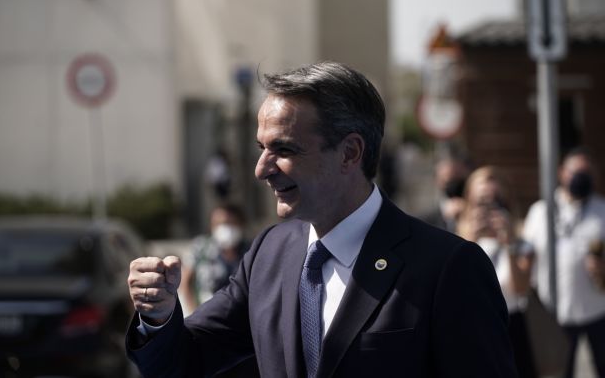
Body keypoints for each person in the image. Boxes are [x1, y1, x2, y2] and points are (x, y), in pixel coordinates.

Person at [125, 62, 517, 377]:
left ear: (350, 153)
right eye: (262, 148)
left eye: (284, 150)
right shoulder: (269, 253)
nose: (262, 169)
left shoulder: (448, 268)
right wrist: (158, 316)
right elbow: (185, 361)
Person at [523, 148, 605, 378]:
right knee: (560, 371)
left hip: (597, 308)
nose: (580, 177)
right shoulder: (541, 211)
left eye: (586, 173)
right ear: (562, 173)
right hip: (554, 311)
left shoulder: (602, 210)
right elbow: (526, 255)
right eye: (575, 172)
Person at [457, 166, 537, 378]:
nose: (488, 209)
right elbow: (455, 290)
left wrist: (509, 244)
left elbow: (520, 289)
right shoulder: (455, 243)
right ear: (469, 203)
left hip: (512, 328)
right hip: (472, 329)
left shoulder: (522, 244)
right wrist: (470, 241)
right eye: (481, 202)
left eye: (496, 201)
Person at [180, 203, 249, 314]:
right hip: (206, 315)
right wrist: (193, 313)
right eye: (219, 224)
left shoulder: (251, 250)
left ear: (241, 224)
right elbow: (186, 282)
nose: (225, 228)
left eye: (230, 223)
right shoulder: (201, 248)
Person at [419, 152, 472, 232]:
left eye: (458, 178)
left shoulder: (481, 214)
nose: (455, 185)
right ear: (437, 180)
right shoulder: (425, 221)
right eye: (448, 181)